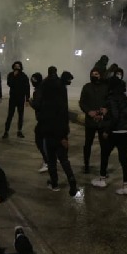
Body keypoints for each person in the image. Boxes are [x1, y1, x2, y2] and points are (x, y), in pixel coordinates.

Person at [32, 66, 78, 197]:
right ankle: (71, 179)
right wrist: (64, 135)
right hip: (61, 131)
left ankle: (54, 183)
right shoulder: (61, 96)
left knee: (51, 159)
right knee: (64, 159)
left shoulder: (44, 92)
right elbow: (65, 116)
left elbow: (38, 109)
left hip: (48, 131)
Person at [92, 76, 127, 195]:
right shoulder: (124, 98)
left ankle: (102, 179)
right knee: (123, 158)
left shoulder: (111, 98)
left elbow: (115, 116)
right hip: (126, 132)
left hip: (115, 132)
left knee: (105, 154)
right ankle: (126, 186)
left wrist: (107, 130)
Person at [79, 66, 109, 174]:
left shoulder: (106, 87)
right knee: (88, 144)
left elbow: (109, 102)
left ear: (100, 75)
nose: (94, 76)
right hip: (90, 121)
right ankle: (86, 165)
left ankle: (103, 168)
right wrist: (89, 112)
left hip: (102, 121)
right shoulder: (87, 87)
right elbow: (82, 102)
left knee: (104, 146)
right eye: (93, 74)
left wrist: (105, 111)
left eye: (96, 74)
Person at [3, 61, 30, 139]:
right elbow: (9, 84)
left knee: (20, 116)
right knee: (10, 115)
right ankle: (6, 131)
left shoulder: (24, 76)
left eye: (18, 66)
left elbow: (27, 88)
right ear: (13, 67)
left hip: (21, 99)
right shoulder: (11, 75)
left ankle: (19, 131)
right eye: (15, 66)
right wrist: (14, 76)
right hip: (13, 98)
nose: (17, 67)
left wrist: (27, 99)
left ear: (21, 67)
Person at [28, 72, 49, 173]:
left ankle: (47, 161)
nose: (32, 82)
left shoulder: (38, 91)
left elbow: (38, 105)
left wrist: (31, 102)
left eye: (34, 80)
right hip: (47, 119)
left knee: (40, 140)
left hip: (43, 119)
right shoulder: (45, 89)